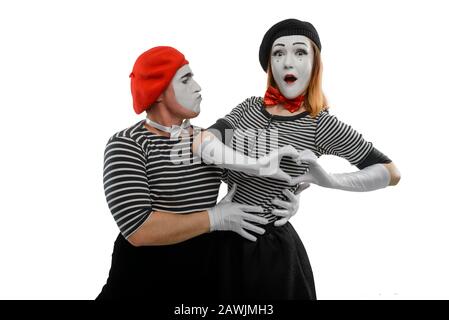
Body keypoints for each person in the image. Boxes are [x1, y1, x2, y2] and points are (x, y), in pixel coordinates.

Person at [193, 18, 401, 299]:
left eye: (300, 52)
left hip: (270, 254)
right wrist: (254, 166)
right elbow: (201, 141)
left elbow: (390, 172)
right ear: (270, 65)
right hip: (220, 239)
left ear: (315, 62)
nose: (288, 62)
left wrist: (329, 180)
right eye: (278, 53)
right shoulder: (248, 108)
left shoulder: (320, 125)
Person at [96, 46, 304, 300]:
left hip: (201, 277)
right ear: (158, 91)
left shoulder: (207, 142)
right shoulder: (128, 144)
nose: (198, 87)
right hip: (140, 281)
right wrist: (214, 218)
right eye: (185, 79)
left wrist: (289, 201)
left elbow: (254, 180)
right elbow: (138, 229)